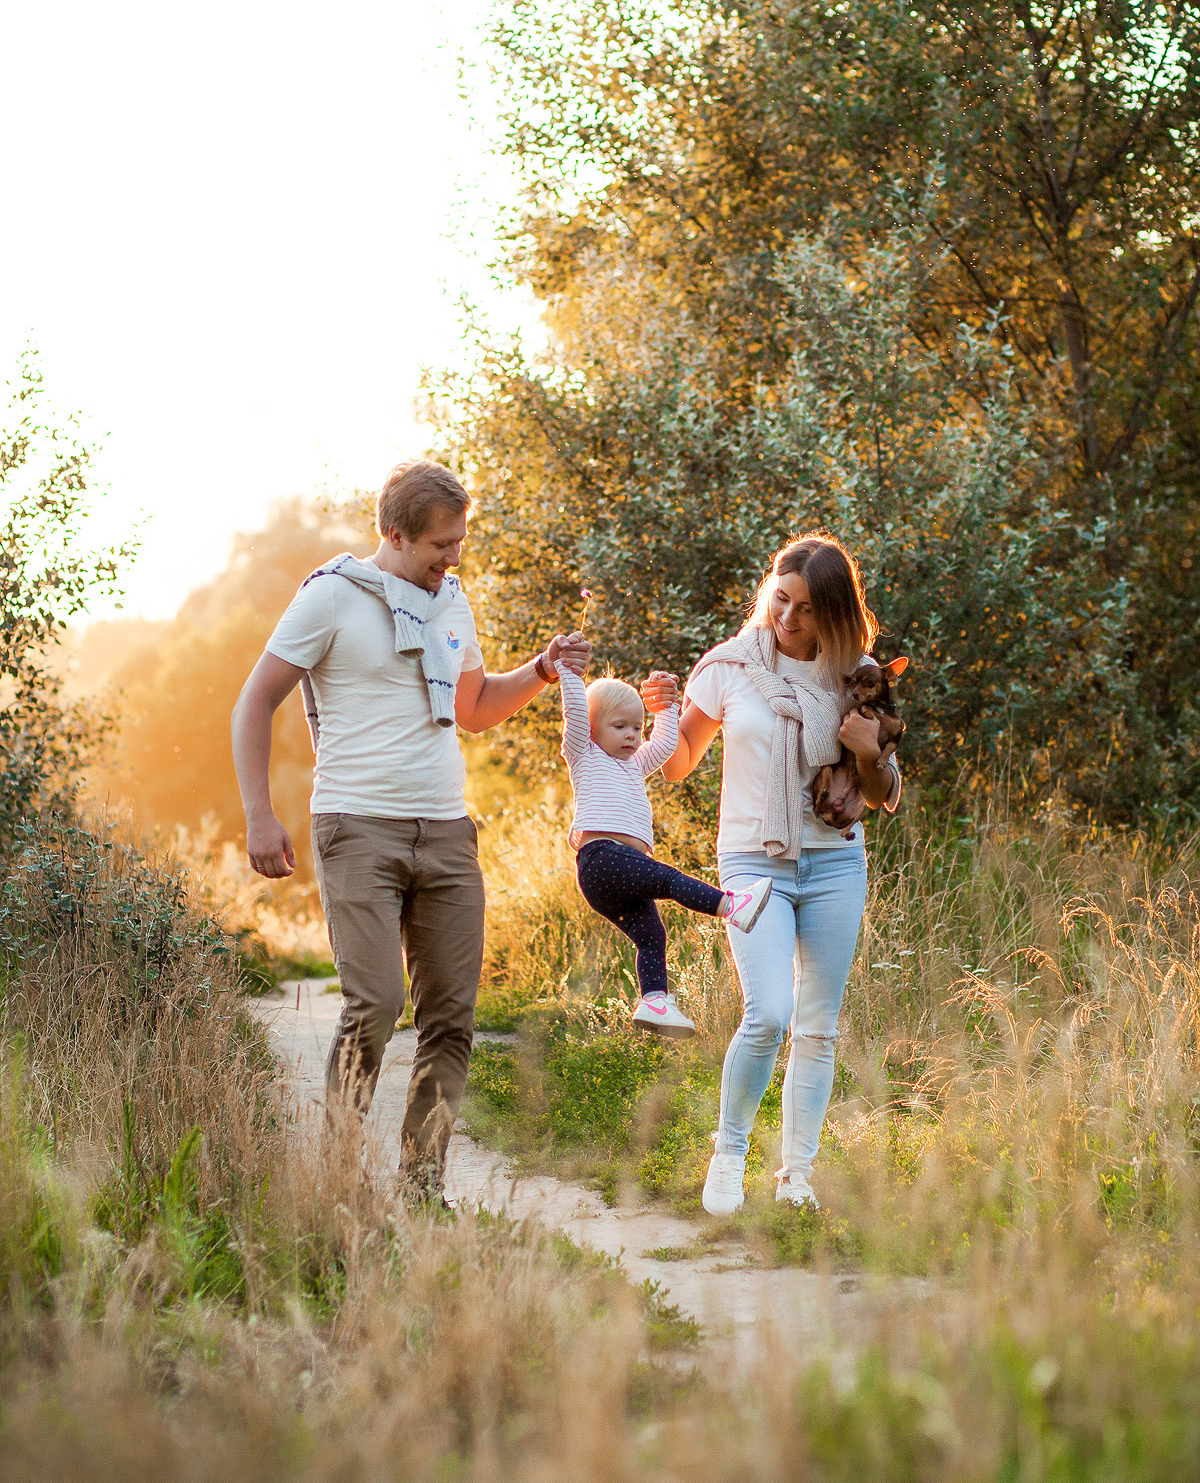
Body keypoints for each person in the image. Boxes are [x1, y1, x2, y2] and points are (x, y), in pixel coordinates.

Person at [231, 459, 591, 1202]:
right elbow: (253, 702)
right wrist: (260, 815)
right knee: (375, 1006)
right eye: (440, 544)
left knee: (452, 1018)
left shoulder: (450, 602)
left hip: (447, 831)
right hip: (357, 825)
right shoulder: (331, 598)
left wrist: (542, 670)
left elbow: (476, 708)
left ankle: (421, 1187)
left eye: (459, 541)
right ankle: (336, 1181)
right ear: (393, 534)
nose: (452, 557)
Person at [657, 533, 902, 1216]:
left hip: (833, 863)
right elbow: (677, 763)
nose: (787, 619)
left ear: (836, 614)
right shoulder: (729, 667)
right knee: (768, 1012)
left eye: (804, 609)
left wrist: (868, 752)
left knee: (817, 1027)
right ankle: (729, 1154)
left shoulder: (857, 676)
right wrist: (659, 712)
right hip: (751, 859)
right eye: (779, 600)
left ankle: (796, 1175)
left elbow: (885, 792)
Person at [557, 662, 774, 1035]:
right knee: (669, 879)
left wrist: (667, 708)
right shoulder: (584, 755)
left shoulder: (633, 765)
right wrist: (570, 674)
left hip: (619, 870)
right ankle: (729, 905)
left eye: (636, 727)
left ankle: (655, 1001)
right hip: (603, 859)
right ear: (592, 730)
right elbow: (575, 714)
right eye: (619, 726)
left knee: (652, 935)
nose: (631, 736)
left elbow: (664, 746)